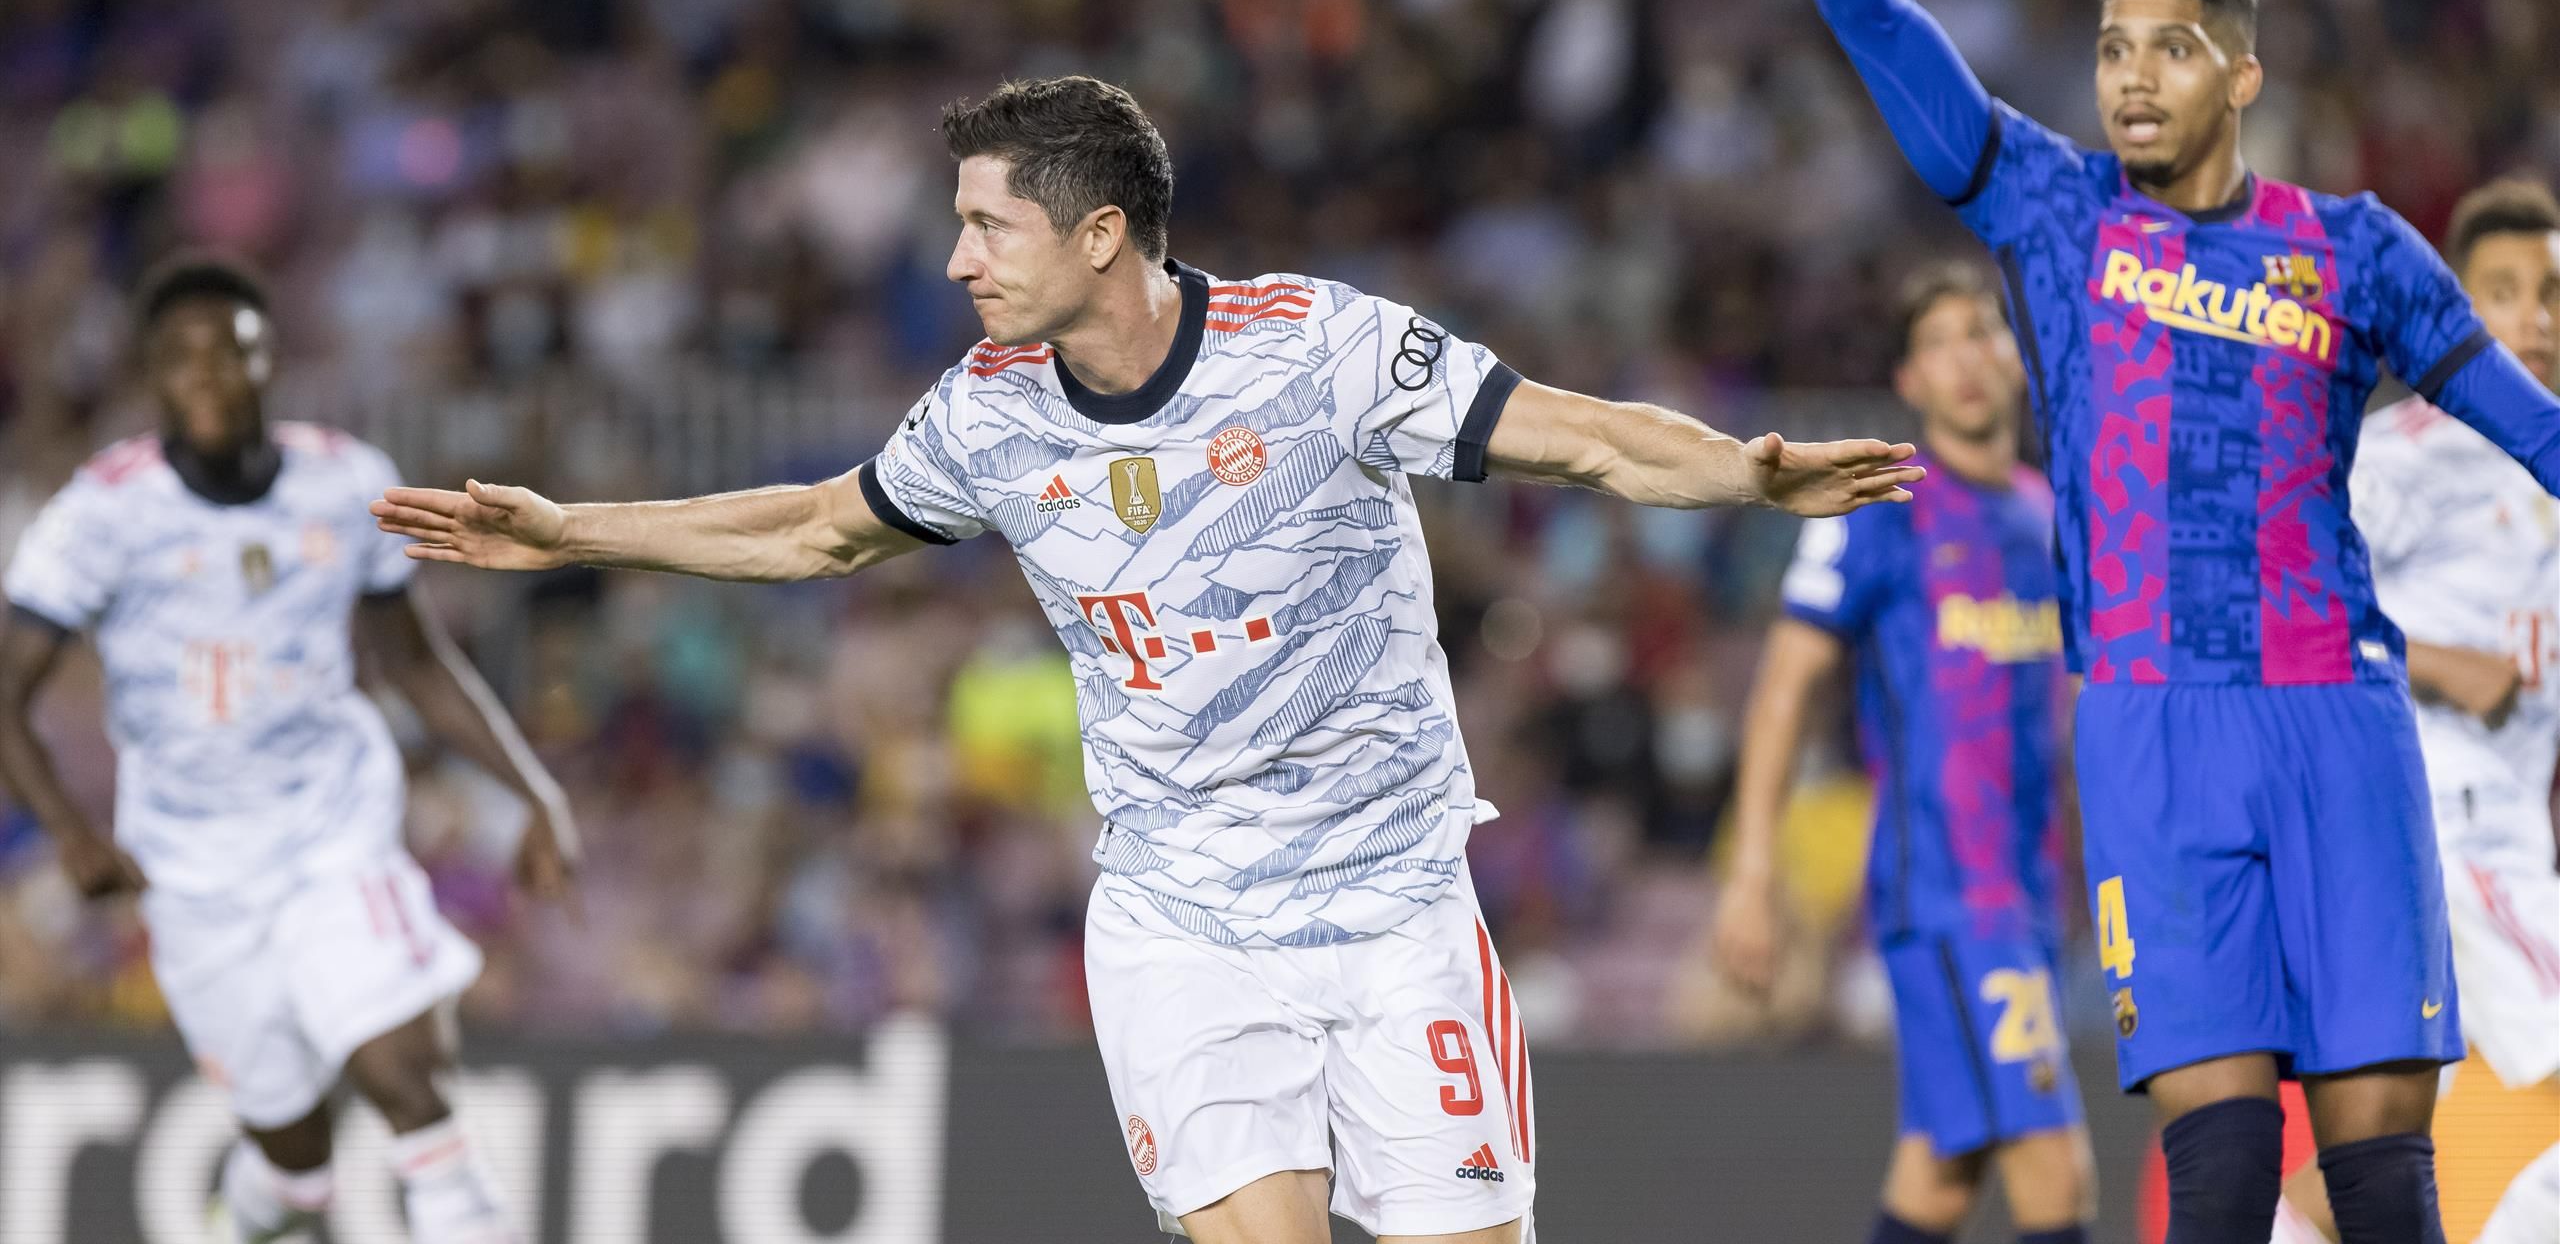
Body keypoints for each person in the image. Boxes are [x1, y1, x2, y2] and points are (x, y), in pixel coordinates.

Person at [370, 74, 1924, 1244]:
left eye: (990, 222)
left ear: (1098, 233)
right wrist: (575, 534)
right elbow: (812, 531)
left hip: (1395, 910)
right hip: (1185, 917)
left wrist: (1740, 473)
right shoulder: (987, 412)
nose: (961, 256)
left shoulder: (1317, 350)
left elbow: (1575, 436)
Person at [1770, 0, 2560, 1239]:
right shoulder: (2051, 210)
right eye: (2113, 49)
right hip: (2151, 725)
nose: (2133, 78)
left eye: (2173, 48)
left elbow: (2542, 435)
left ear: (2242, 74)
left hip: (2336, 714)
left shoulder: (2357, 248)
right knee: (2222, 1167)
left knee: (2385, 1175)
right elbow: (1870, 13)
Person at [0, 257, 580, 1244]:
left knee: (408, 1082)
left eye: (234, 353)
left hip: (332, 831)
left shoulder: (346, 481)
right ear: (153, 377)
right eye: (184, 360)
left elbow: (416, 663)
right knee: (294, 1155)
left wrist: (534, 793)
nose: (211, 375)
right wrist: (70, 834)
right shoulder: (101, 514)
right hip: (192, 868)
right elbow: (7, 693)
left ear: (271, 364)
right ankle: (256, 1210)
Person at [1715, 263, 2094, 1244]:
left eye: (1982, 331)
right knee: (2055, 1175)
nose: (1966, 356)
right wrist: (1750, 873)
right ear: (1910, 381)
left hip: (2030, 891)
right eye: (1939, 342)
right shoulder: (1881, 508)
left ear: (2018, 358)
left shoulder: (2049, 519)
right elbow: (1787, 682)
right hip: (1944, 893)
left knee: (1940, 1176)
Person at [2263, 179, 2560, 1244]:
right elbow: (2278, 598)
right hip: (2444, 821)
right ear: (2459, 310)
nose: (2534, 316)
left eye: (2551, 291)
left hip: (2487, 830)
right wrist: (2438, 662)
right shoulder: (2406, 453)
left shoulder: (2541, 457)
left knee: (2374, 1145)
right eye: (2504, 292)